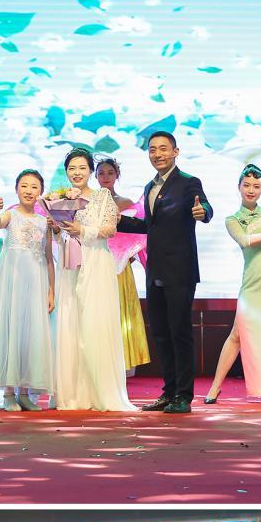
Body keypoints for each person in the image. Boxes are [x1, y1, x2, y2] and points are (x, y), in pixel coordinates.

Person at [115, 130, 213, 414]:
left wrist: (203, 212)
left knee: (180, 332)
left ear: (175, 152)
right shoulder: (149, 186)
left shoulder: (189, 182)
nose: (157, 154)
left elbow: (205, 207)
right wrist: (116, 220)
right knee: (161, 333)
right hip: (155, 269)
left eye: (163, 149)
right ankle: (169, 393)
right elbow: (149, 226)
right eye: (152, 150)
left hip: (180, 270)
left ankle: (184, 396)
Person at [203, 164, 261, 404]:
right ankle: (215, 387)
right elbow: (246, 241)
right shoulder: (233, 220)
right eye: (246, 185)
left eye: (256, 186)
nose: (251, 190)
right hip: (253, 284)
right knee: (237, 334)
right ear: (239, 187)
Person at [51, 147, 135, 412]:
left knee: (94, 323)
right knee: (71, 323)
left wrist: (82, 229)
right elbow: (61, 236)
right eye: (72, 169)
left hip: (96, 262)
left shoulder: (102, 197)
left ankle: (99, 391)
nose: (77, 173)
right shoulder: (60, 199)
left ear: (90, 171)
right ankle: (72, 393)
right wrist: (57, 231)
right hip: (70, 265)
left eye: (82, 168)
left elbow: (109, 230)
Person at [0, 169, 54, 410]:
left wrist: (51, 291)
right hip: (12, 284)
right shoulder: (11, 215)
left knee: (30, 335)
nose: (29, 191)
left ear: (41, 192)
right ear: (17, 189)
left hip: (36, 283)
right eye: (24, 186)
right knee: (11, 331)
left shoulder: (44, 222)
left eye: (34, 187)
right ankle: (8, 392)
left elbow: (49, 258)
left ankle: (25, 392)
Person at [95, 157, 151, 374]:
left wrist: (128, 255)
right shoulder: (89, 202)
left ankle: (122, 362)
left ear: (117, 175)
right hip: (96, 263)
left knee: (121, 312)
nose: (106, 177)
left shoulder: (127, 204)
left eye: (110, 172)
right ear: (95, 176)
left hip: (120, 266)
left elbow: (140, 235)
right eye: (101, 173)